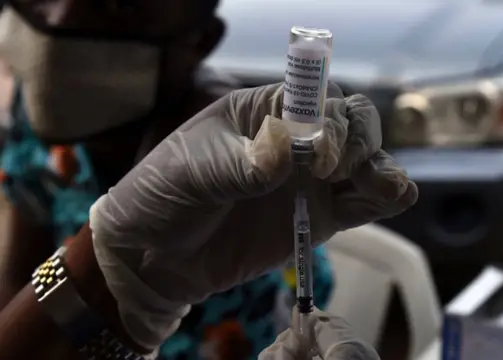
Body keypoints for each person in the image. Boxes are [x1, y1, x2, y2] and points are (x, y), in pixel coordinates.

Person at [0, 0, 418, 359]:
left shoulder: (238, 185)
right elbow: (19, 280)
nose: (61, 18)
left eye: (120, 4)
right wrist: (101, 279)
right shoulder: (43, 117)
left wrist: (107, 288)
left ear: (199, 40)